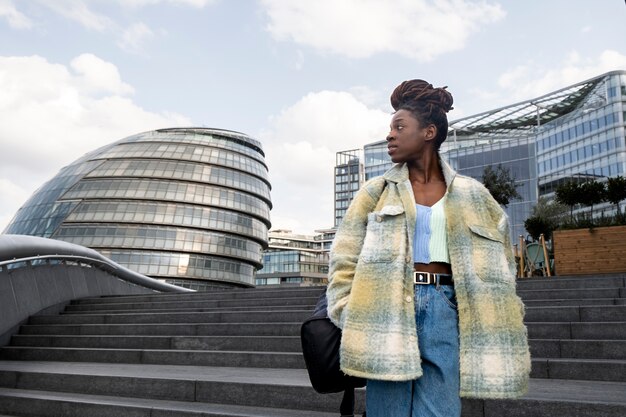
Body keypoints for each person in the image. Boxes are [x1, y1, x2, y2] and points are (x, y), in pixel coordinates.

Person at [326, 79, 530, 417]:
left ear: (429, 132)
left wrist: (476, 313)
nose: (389, 135)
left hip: (444, 306)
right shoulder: (374, 193)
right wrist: (351, 311)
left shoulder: (473, 194)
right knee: (386, 411)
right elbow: (344, 259)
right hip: (384, 309)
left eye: (399, 126)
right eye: (390, 128)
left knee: (440, 411)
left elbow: (502, 266)